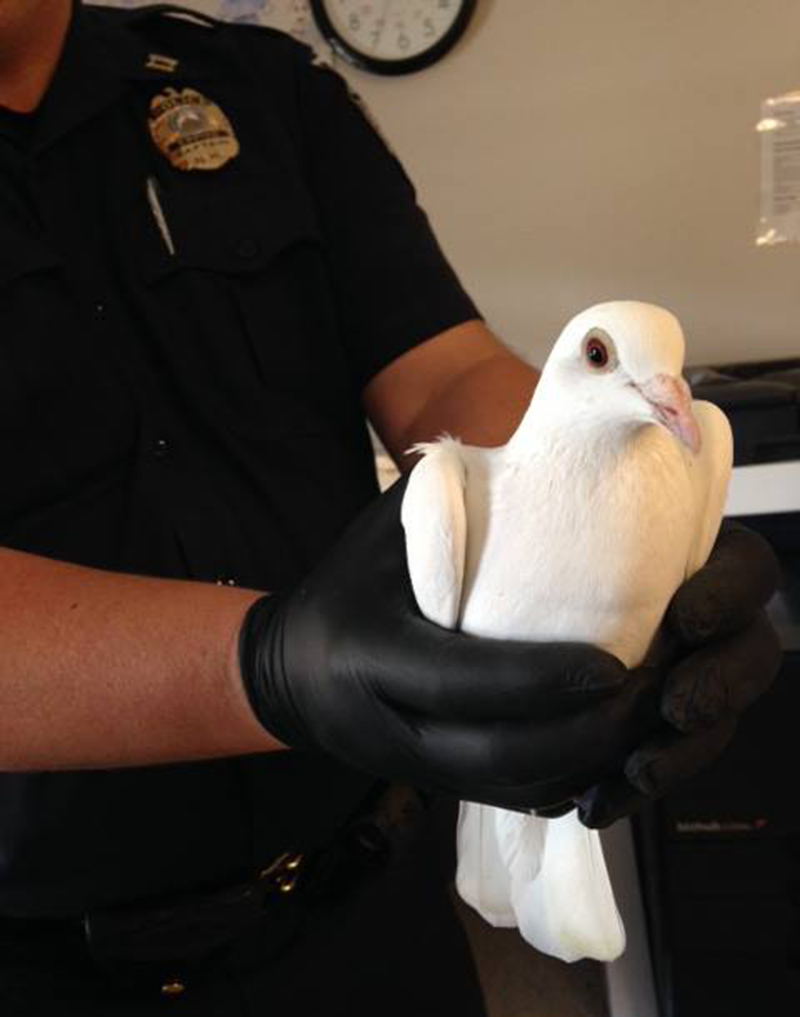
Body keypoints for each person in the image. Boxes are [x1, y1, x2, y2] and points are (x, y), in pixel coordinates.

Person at [0, 2, 782, 1014]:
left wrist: (604, 541)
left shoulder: (252, 90)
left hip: (364, 904)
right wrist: (269, 669)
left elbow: (444, 373)